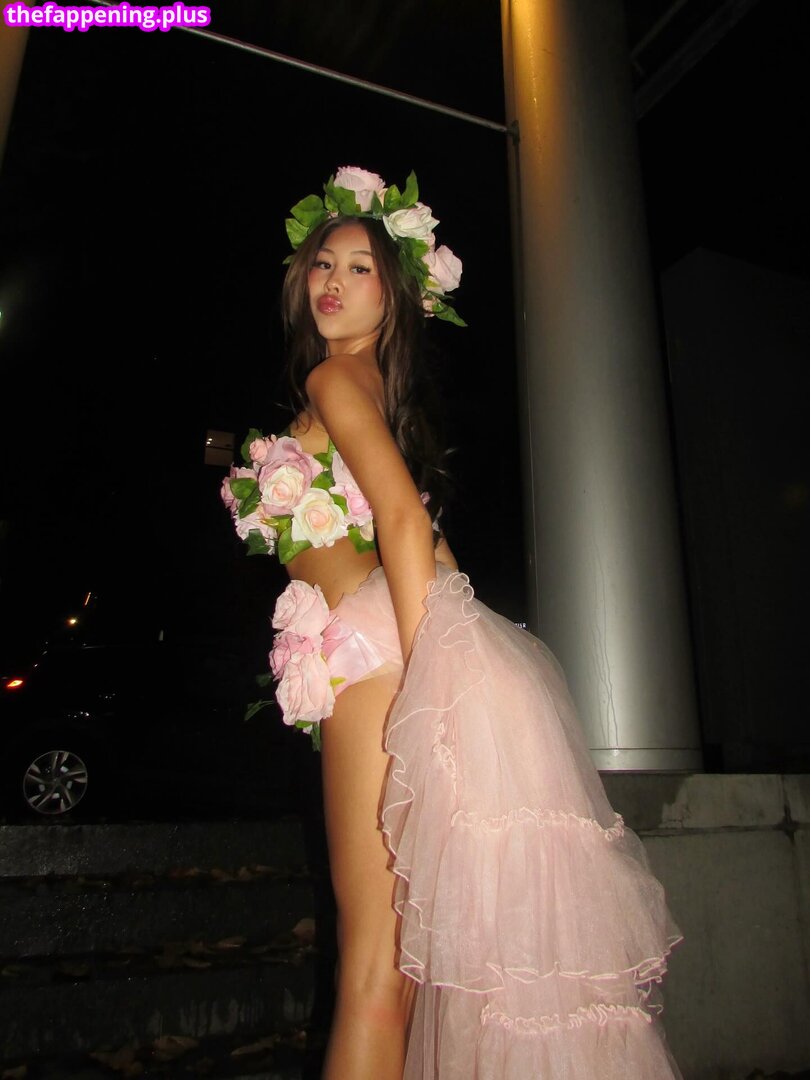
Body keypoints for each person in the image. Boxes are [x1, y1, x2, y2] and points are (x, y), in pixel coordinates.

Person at [223, 166, 683, 1079]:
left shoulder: (334, 377)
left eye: (360, 268)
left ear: (394, 299)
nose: (332, 281)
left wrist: (433, 666)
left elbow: (401, 522)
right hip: (392, 641)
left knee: (371, 973)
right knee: (400, 969)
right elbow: (422, 536)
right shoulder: (369, 393)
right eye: (324, 263)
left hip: (381, 653)